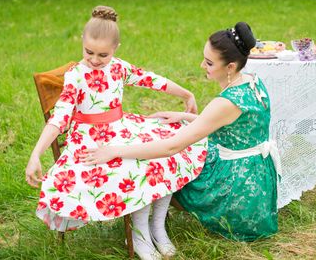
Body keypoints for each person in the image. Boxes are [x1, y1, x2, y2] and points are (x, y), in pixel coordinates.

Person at [25, 6, 208, 260]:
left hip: (120, 128)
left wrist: (186, 93)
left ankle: (157, 226)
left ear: (116, 48)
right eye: (89, 52)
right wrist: (36, 154)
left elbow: (151, 79)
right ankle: (140, 234)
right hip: (89, 141)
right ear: (82, 42)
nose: (95, 60)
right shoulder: (76, 76)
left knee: (170, 148)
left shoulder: (118, 68)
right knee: (137, 164)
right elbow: (60, 118)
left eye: (103, 54)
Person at [82, 22, 279, 242]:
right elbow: (234, 127)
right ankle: (153, 226)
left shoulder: (226, 102)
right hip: (257, 175)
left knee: (161, 160)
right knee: (170, 134)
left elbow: (171, 147)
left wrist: (115, 150)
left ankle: (145, 230)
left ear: (230, 67)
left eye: (209, 62)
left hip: (235, 186)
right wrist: (185, 117)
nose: (202, 65)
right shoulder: (253, 82)